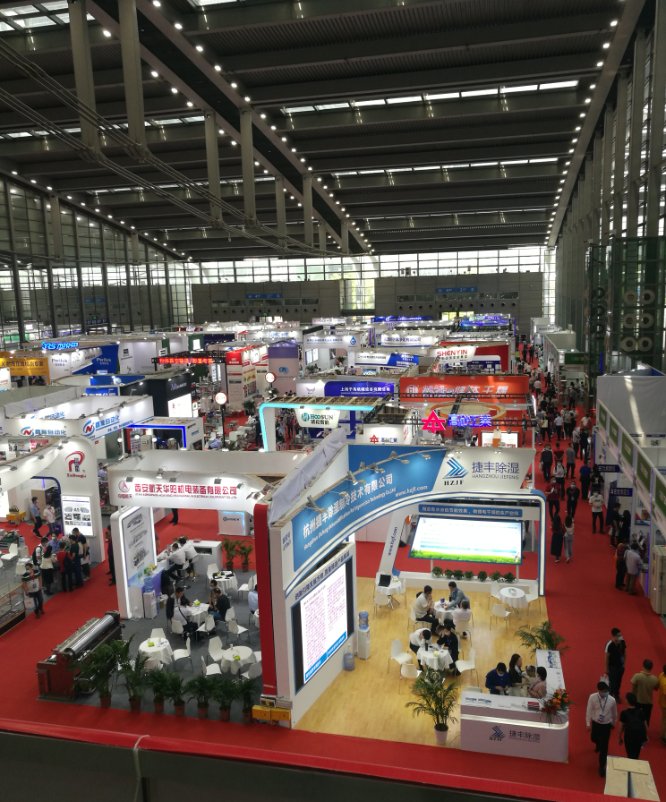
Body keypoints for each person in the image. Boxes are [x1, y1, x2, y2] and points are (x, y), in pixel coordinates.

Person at [586, 680, 618, 777]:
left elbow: (614, 713)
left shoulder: (612, 700)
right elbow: (589, 710)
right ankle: (597, 744)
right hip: (596, 723)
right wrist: (588, 723)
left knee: (604, 747)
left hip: (606, 725)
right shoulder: (592, 697)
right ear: (599, 690)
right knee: (593, 738)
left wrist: (613, 723)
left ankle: (601, 767)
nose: (605, 693)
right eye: (603, 691)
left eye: (606, 691)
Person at [619, 693, 647, 760]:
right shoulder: (641, 712)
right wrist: (645, 736)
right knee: (636, 754)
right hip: (639, 735)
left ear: (627, 701)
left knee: (630, 754)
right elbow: (646, 726)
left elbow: (621, 727)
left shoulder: (624, 713)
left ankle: (631, 765)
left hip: (629, 735)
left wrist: (619, 737)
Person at [631, 658, 659, 726]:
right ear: (651, 668)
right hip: (648, 703)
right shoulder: (655, 679)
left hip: (638, 701)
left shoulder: (637, 676)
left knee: (636, 718)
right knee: (646, 719)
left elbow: (633, 687)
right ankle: (645, 731)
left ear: (643, 666)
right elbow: (656, 688)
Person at [605, 627, 627, 701]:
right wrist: (606, 669)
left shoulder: (622, 642)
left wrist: (624, 664)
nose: (620, 637)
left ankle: (616, 695)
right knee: (612, 682)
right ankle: (610, 695)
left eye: (620, 635)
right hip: (612, 667)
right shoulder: (609, 644)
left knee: (618, 681)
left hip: (620, 667)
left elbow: (625, 653)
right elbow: (606, 657)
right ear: (614, 636)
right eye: (618, 635)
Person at [658, 664, 666, 744]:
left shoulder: (661, 675)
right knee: (664, 720)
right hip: (665, 704)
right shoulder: (665, 683)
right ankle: (663, 736)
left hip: (662, 701)